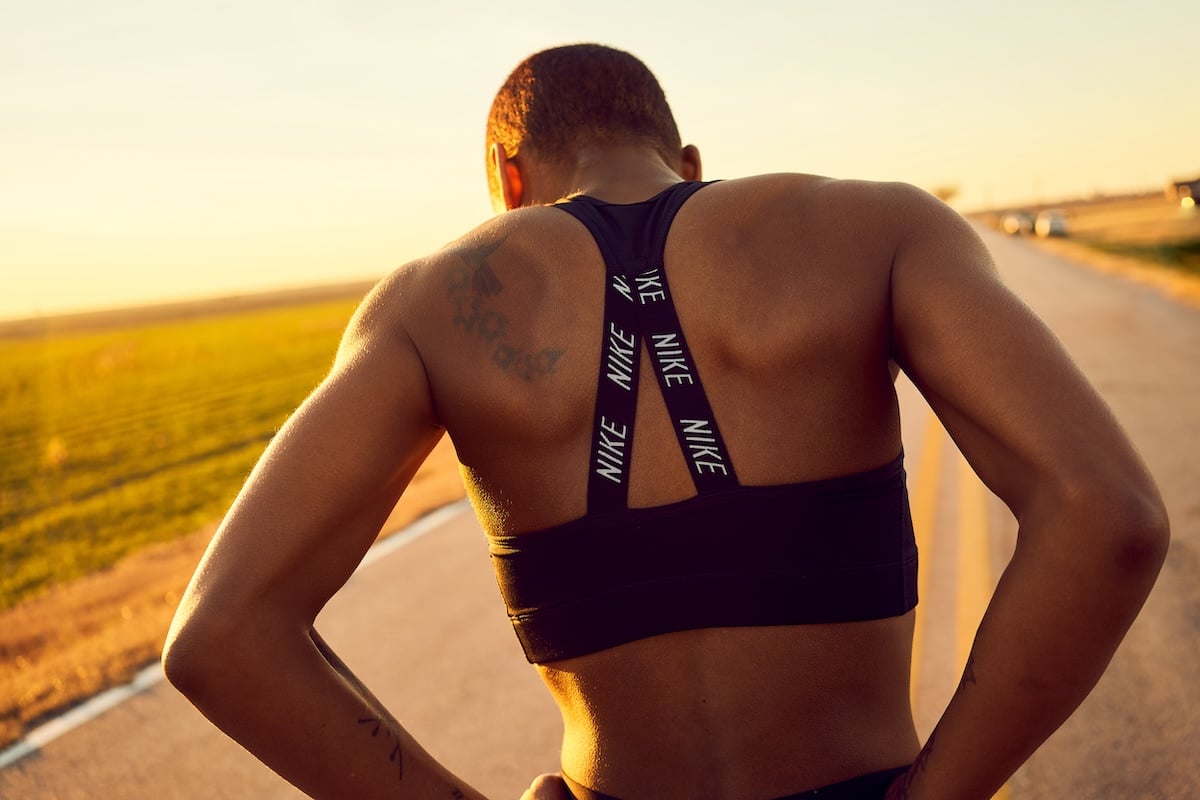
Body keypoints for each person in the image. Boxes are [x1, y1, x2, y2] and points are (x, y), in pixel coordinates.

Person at [162, 44, 1169, 800]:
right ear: (686, 159)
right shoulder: (880, 227)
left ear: (509, 187)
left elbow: (221, 633)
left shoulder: (429, 307)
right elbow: (1110, 514)